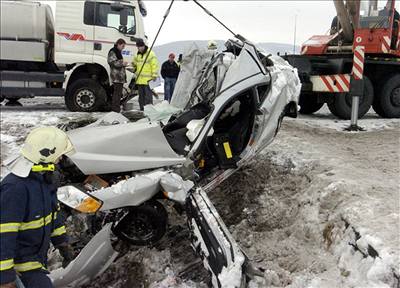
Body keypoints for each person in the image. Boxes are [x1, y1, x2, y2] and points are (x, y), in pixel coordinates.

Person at [0, 127, 74, 288]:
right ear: (46, 154)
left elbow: (53, 217)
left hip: (35, 260)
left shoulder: (45, 181)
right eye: (59, 154)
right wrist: (5, 277)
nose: (61, 158)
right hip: (19, 267)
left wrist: (63, 244)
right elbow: (4, 233)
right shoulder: (15, 188)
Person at [132, 38, 159, 111]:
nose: (138, 49)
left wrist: (154, 75)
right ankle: (142, 110)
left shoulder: (150, 54)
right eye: (137, 47)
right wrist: (133, 66)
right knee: (141, 97)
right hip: (140, 80)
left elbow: (154, 65)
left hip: (148, 80)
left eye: (139, 47)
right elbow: (134, 63)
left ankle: (149, 111)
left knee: (148, 97)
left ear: (143, 46)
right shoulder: (137, 55)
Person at [108, 38, 128, 113]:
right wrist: (122, 63)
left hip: (119, 77)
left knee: (118, 94)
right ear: (119, 44)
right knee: (117, 94)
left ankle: (116, 109)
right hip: (117, 77)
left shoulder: (117, 52)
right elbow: (112, 62)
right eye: (122, 46)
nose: (123, 48)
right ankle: (115, 110)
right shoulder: (113, 51)